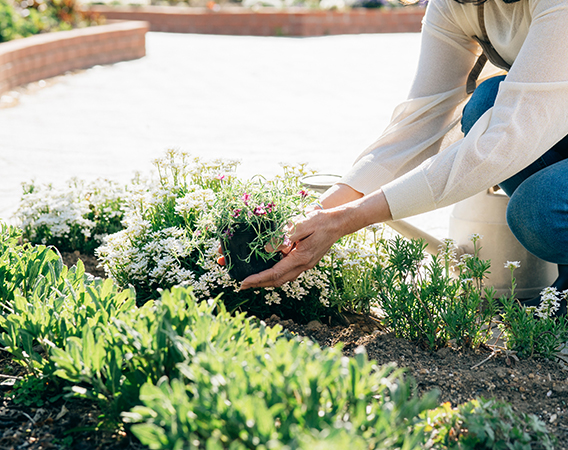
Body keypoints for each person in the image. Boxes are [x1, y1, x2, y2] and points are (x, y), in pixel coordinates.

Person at [240, 0, 568, 317]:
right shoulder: (456, 4)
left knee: (540, 212)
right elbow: (420, 122)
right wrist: (320, 212)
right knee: (487, 102)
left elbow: (502, 142)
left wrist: (346, 220)